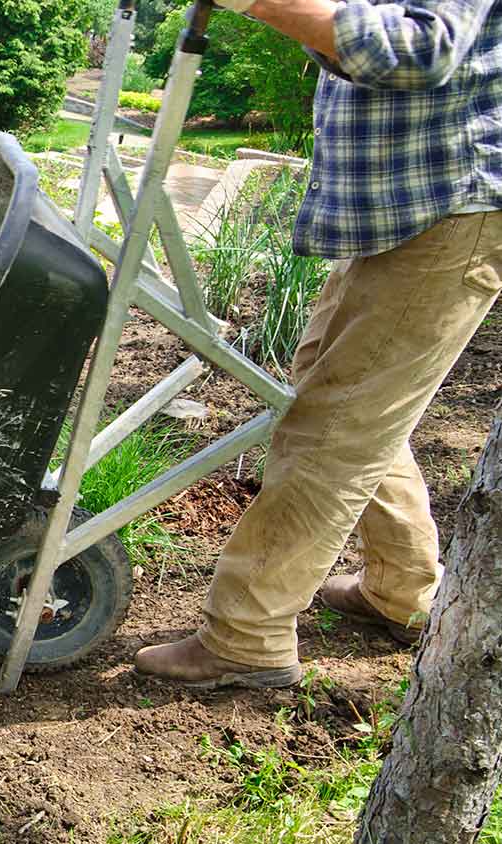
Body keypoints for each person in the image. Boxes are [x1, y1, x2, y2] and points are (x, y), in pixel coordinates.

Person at [135, 0, 502, 686]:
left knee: (334, 427)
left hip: (451, 206)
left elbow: (421, 49)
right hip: (406, 208)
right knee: (340, 399)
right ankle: (404, 589)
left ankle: (247, 635)